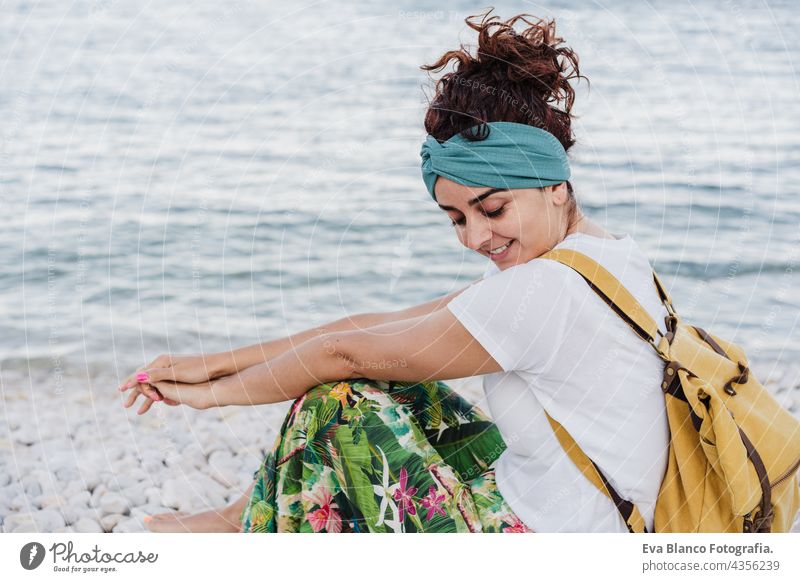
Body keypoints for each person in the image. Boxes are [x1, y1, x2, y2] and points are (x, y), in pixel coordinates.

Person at [119, 10, 670, 533]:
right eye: (456, 218)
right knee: (396, 383)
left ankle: (248, 534)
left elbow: (339, 353)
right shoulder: (608, 256)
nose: (477, 238)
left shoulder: (542, 289)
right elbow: (374, 329)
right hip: (600, 513)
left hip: (561, 541)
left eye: (493, 208)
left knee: (334, 403)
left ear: (555, 186)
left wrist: (208, 395)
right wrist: (207, 365)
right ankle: (242, 523)